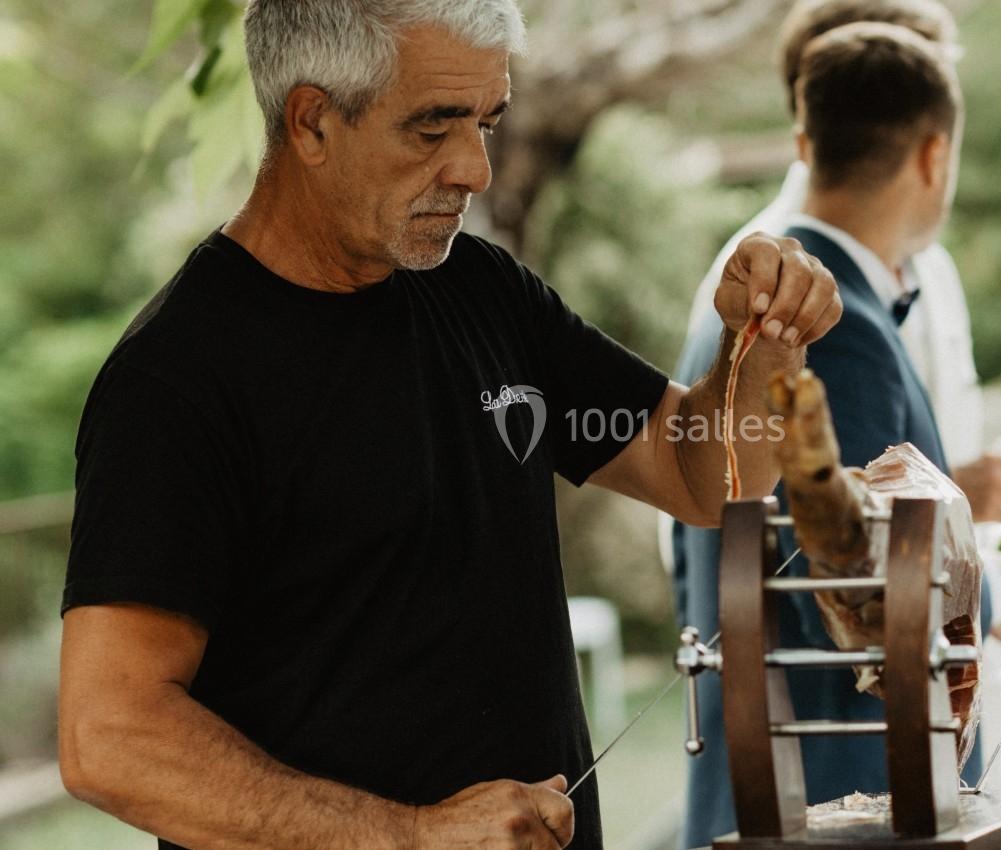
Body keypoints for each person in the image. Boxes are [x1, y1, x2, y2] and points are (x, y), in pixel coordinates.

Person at [55, 3, 844, 849]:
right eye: (433, 128)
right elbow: (109, 739)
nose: (474, 167)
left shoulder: (479, 289)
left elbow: (705, 476)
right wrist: (409, 836)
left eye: (486, 122)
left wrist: (764, 336)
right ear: (312, 121)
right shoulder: (176, 377)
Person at [671, 21, 987, 849]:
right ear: (933, 157)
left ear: (805, 142)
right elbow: (850, 597)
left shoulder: (772, 297)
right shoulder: (828, 326)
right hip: (839, 802)